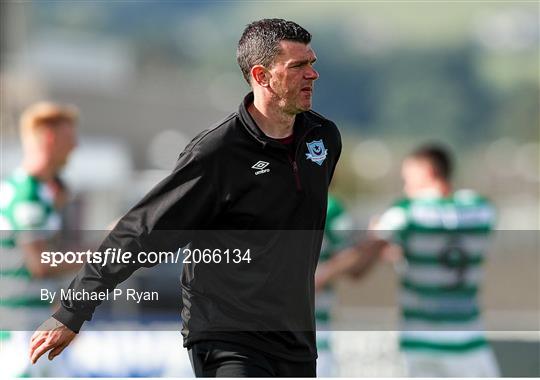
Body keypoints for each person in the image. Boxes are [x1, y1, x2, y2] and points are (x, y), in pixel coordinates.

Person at [29, 19, 342, 377]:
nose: (312, 74)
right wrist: (72, 310)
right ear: (262, 75)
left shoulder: (324, 138)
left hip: (296, 338)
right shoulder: (216, 153)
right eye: (298, 66)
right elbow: (141, 231)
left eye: (312, 63)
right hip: (227, 335)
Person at [317, 144, 500, 377]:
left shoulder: (406, 213)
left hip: (421, 344)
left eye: (408, 179)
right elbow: (445, 245)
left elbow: (363, 258)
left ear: (427, 172)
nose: (405, 187)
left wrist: (324, 274)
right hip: (470, 342)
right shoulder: (481, 209)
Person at [0, 101, 79, 377]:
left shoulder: (38, 193)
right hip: (21, 338)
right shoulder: (28, 195)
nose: (75, 146)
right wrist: (106, 251)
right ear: (50, 137)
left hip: (31, 332)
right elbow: (40, 264)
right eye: (70, 138)